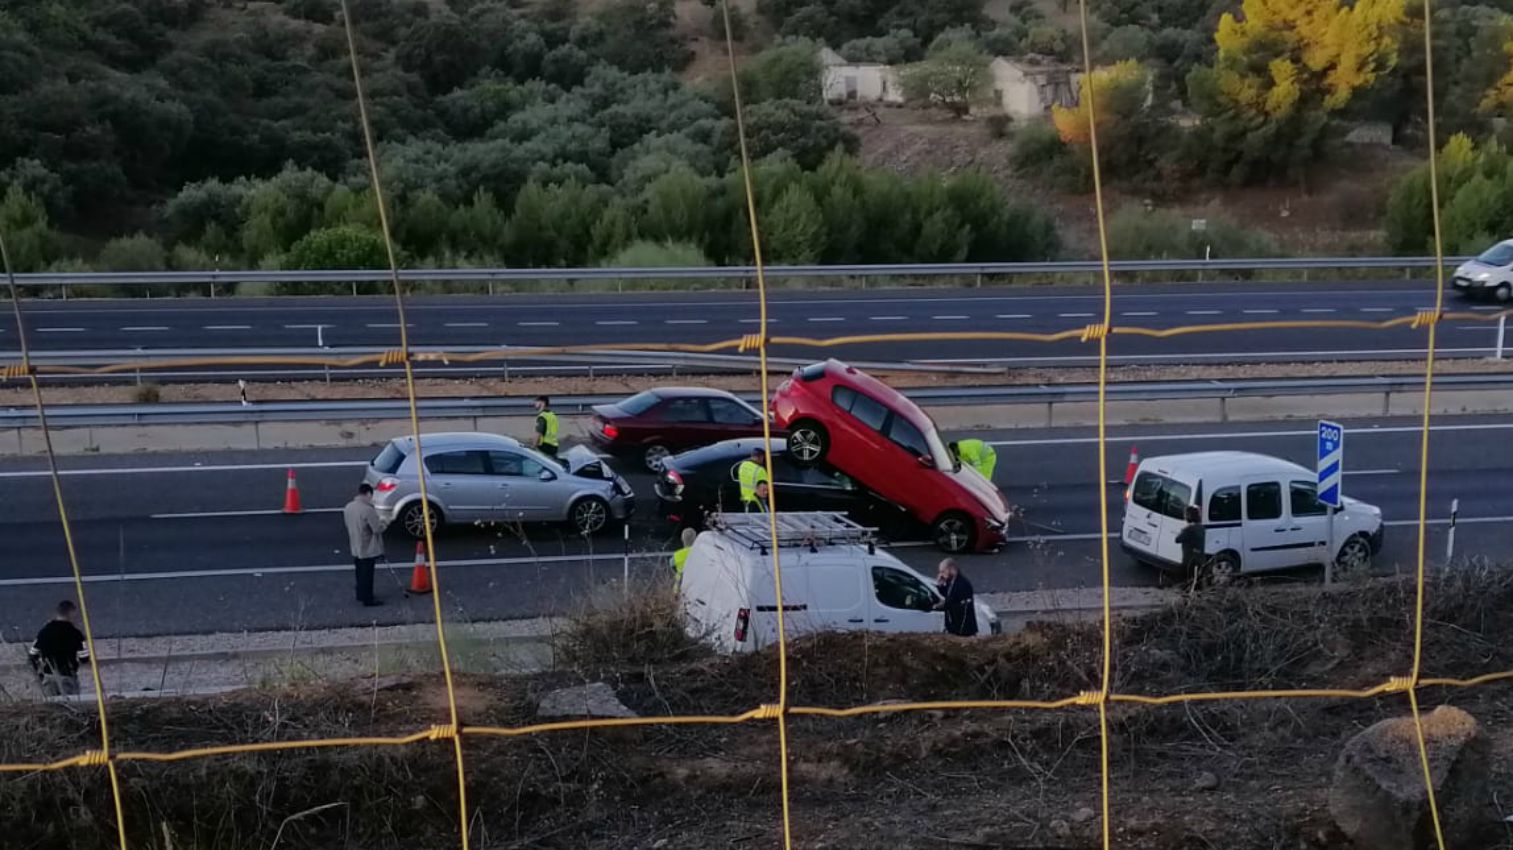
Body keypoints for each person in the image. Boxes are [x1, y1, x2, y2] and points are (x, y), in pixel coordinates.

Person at [29, 600, 89, 697]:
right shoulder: (75, 633)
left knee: (51, 707)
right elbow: (84, 658)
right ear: (71, 613)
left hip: (49, 675)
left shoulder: (44, 632)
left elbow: (32, 655)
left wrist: (39, 674)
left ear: (57, 612)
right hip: (67, 675)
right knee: (71, 705)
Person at [344, 483, 389, 607]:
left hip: (355, 544)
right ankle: (368, 599)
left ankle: (360, 594)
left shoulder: (349, 507)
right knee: (368, 575)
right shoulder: (368, 510)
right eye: (371, 496)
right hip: (367, 547)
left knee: (359, 572)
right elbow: (376, 529)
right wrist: (385, 523)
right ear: (368, 494)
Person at [933, 559, 978, 637]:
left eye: (943, 571)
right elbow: (948, 594)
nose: (941, 575)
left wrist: (940, 606)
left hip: (962, 627)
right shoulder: (950, 581)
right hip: (953, 624)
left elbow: (953, 601)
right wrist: (940, 586)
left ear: (951, 569)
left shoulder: (962, 584)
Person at [1176, 505, 1207, 577]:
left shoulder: (1188, 528)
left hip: (1188, 560)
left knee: (1185, 579)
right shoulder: (1201, 527)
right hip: (1199, 560)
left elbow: (1177, 539)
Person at [736, 448, 770, 512]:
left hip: (746, 501)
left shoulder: (743, 465)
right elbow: (763, 492)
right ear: (761, 457)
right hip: (757, 503)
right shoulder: (760, 470)